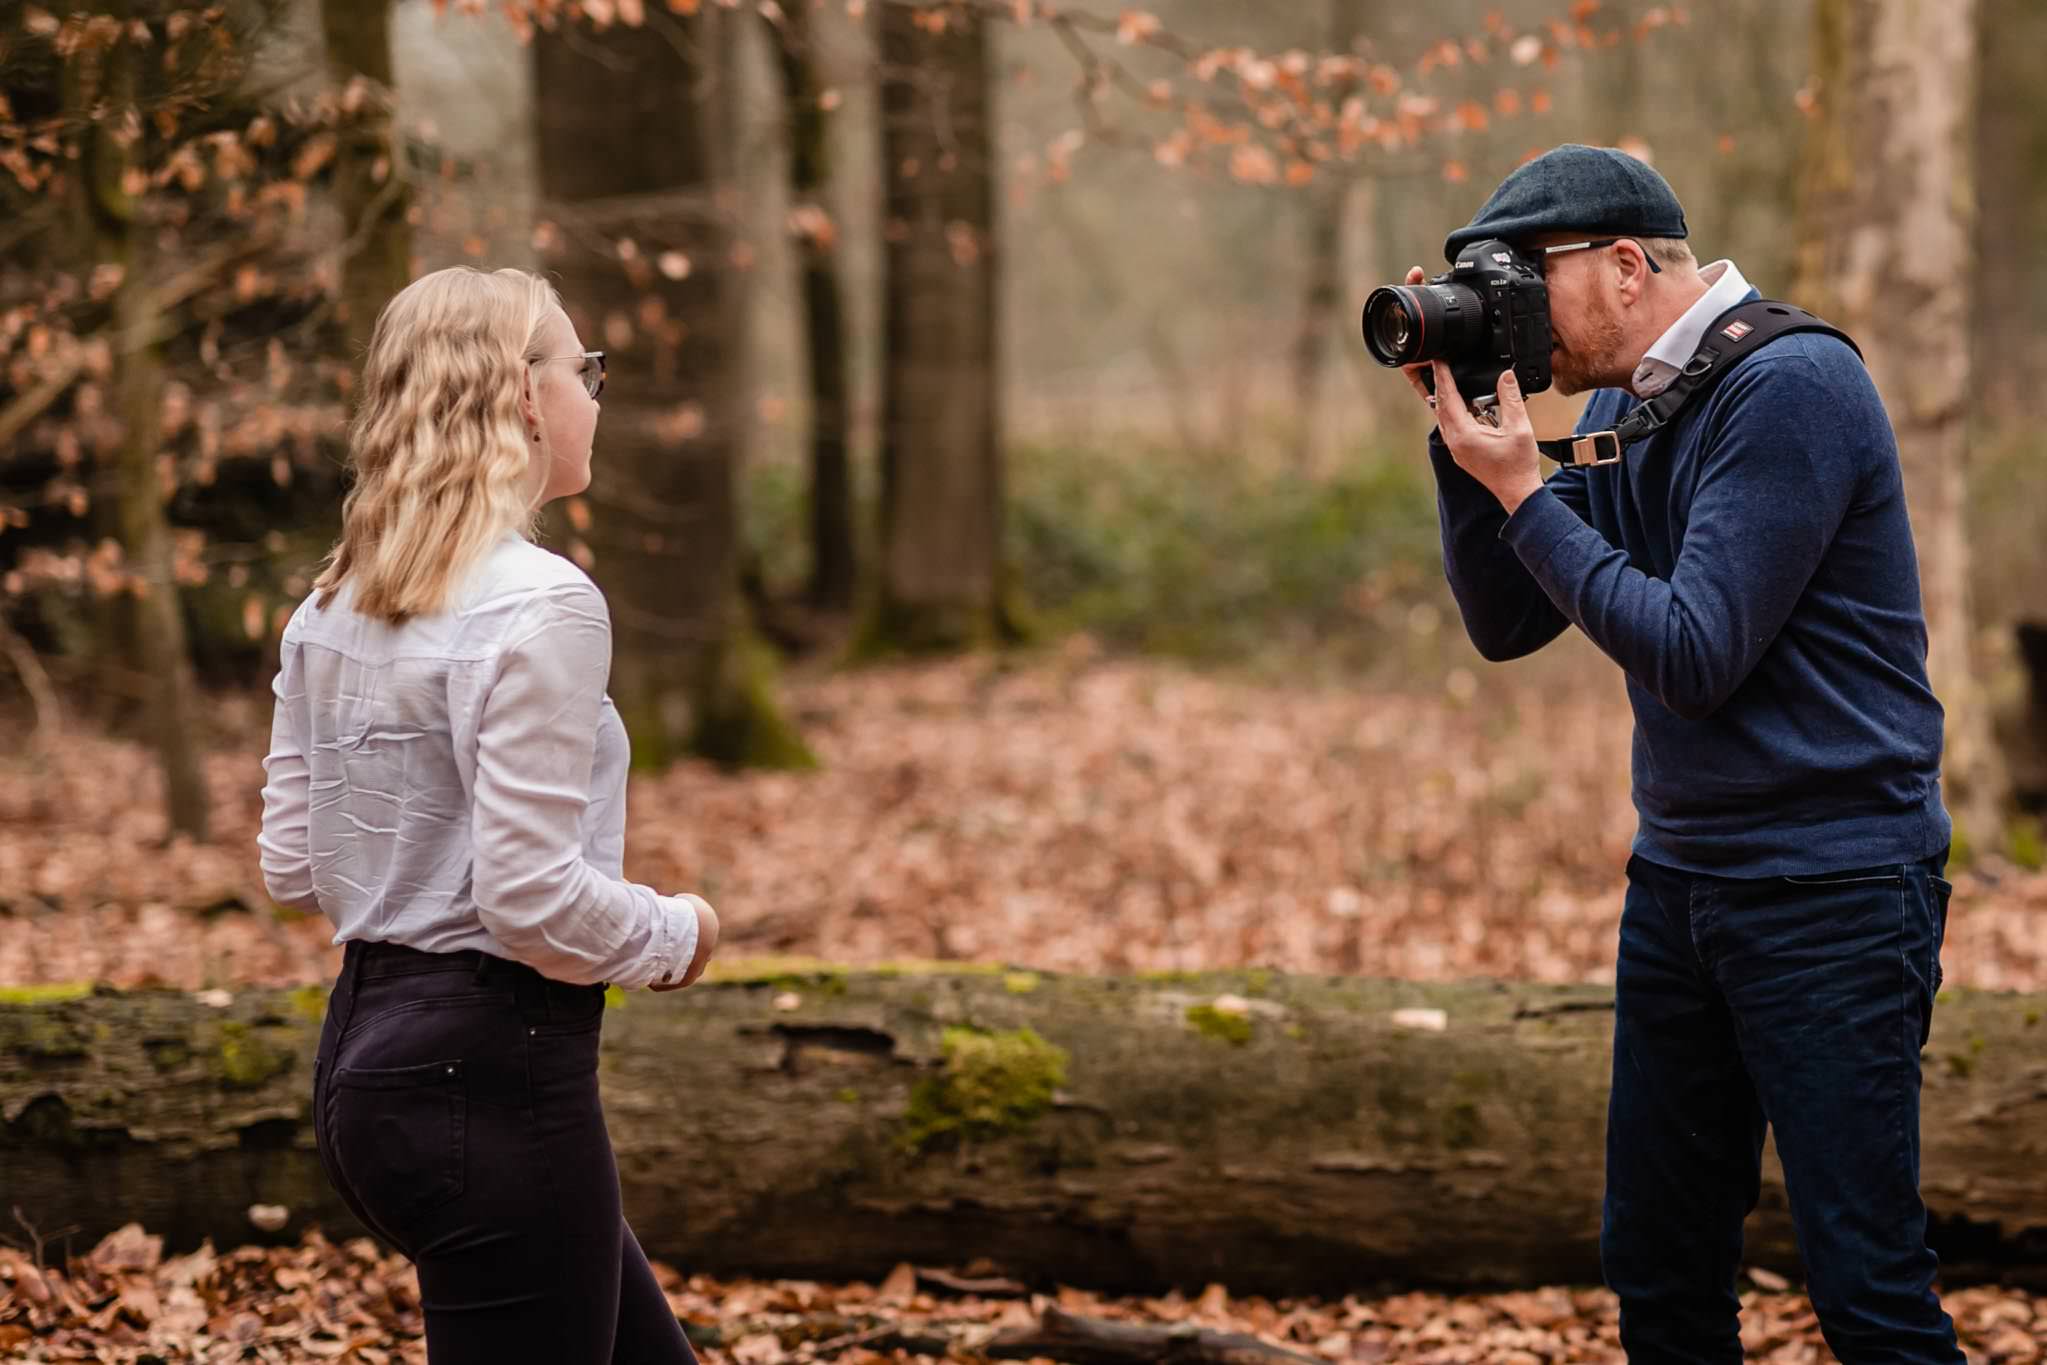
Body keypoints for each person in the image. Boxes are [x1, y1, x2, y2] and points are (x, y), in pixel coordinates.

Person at [1398, 145, 1960, 1362]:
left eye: (1518, 280)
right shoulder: (1626, 404)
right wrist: (1469, 457)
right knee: (1658, 1269)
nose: (1508, 309)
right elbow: (1508, 624)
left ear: (1621, 266)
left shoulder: (1792, 385)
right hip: (1684, 883)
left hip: (1834, 888)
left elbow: (1696, 650)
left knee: (1864, 1285)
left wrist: (1523, 495)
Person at [258, 266, 719, 1363]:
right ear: (522, 399)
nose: (594, 394)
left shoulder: (331, 604)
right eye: (580, 367)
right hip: (495, 1084)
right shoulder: (548, 603)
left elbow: (290, 863)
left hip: (368, 1077)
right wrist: (677, 934)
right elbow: (527, 901)